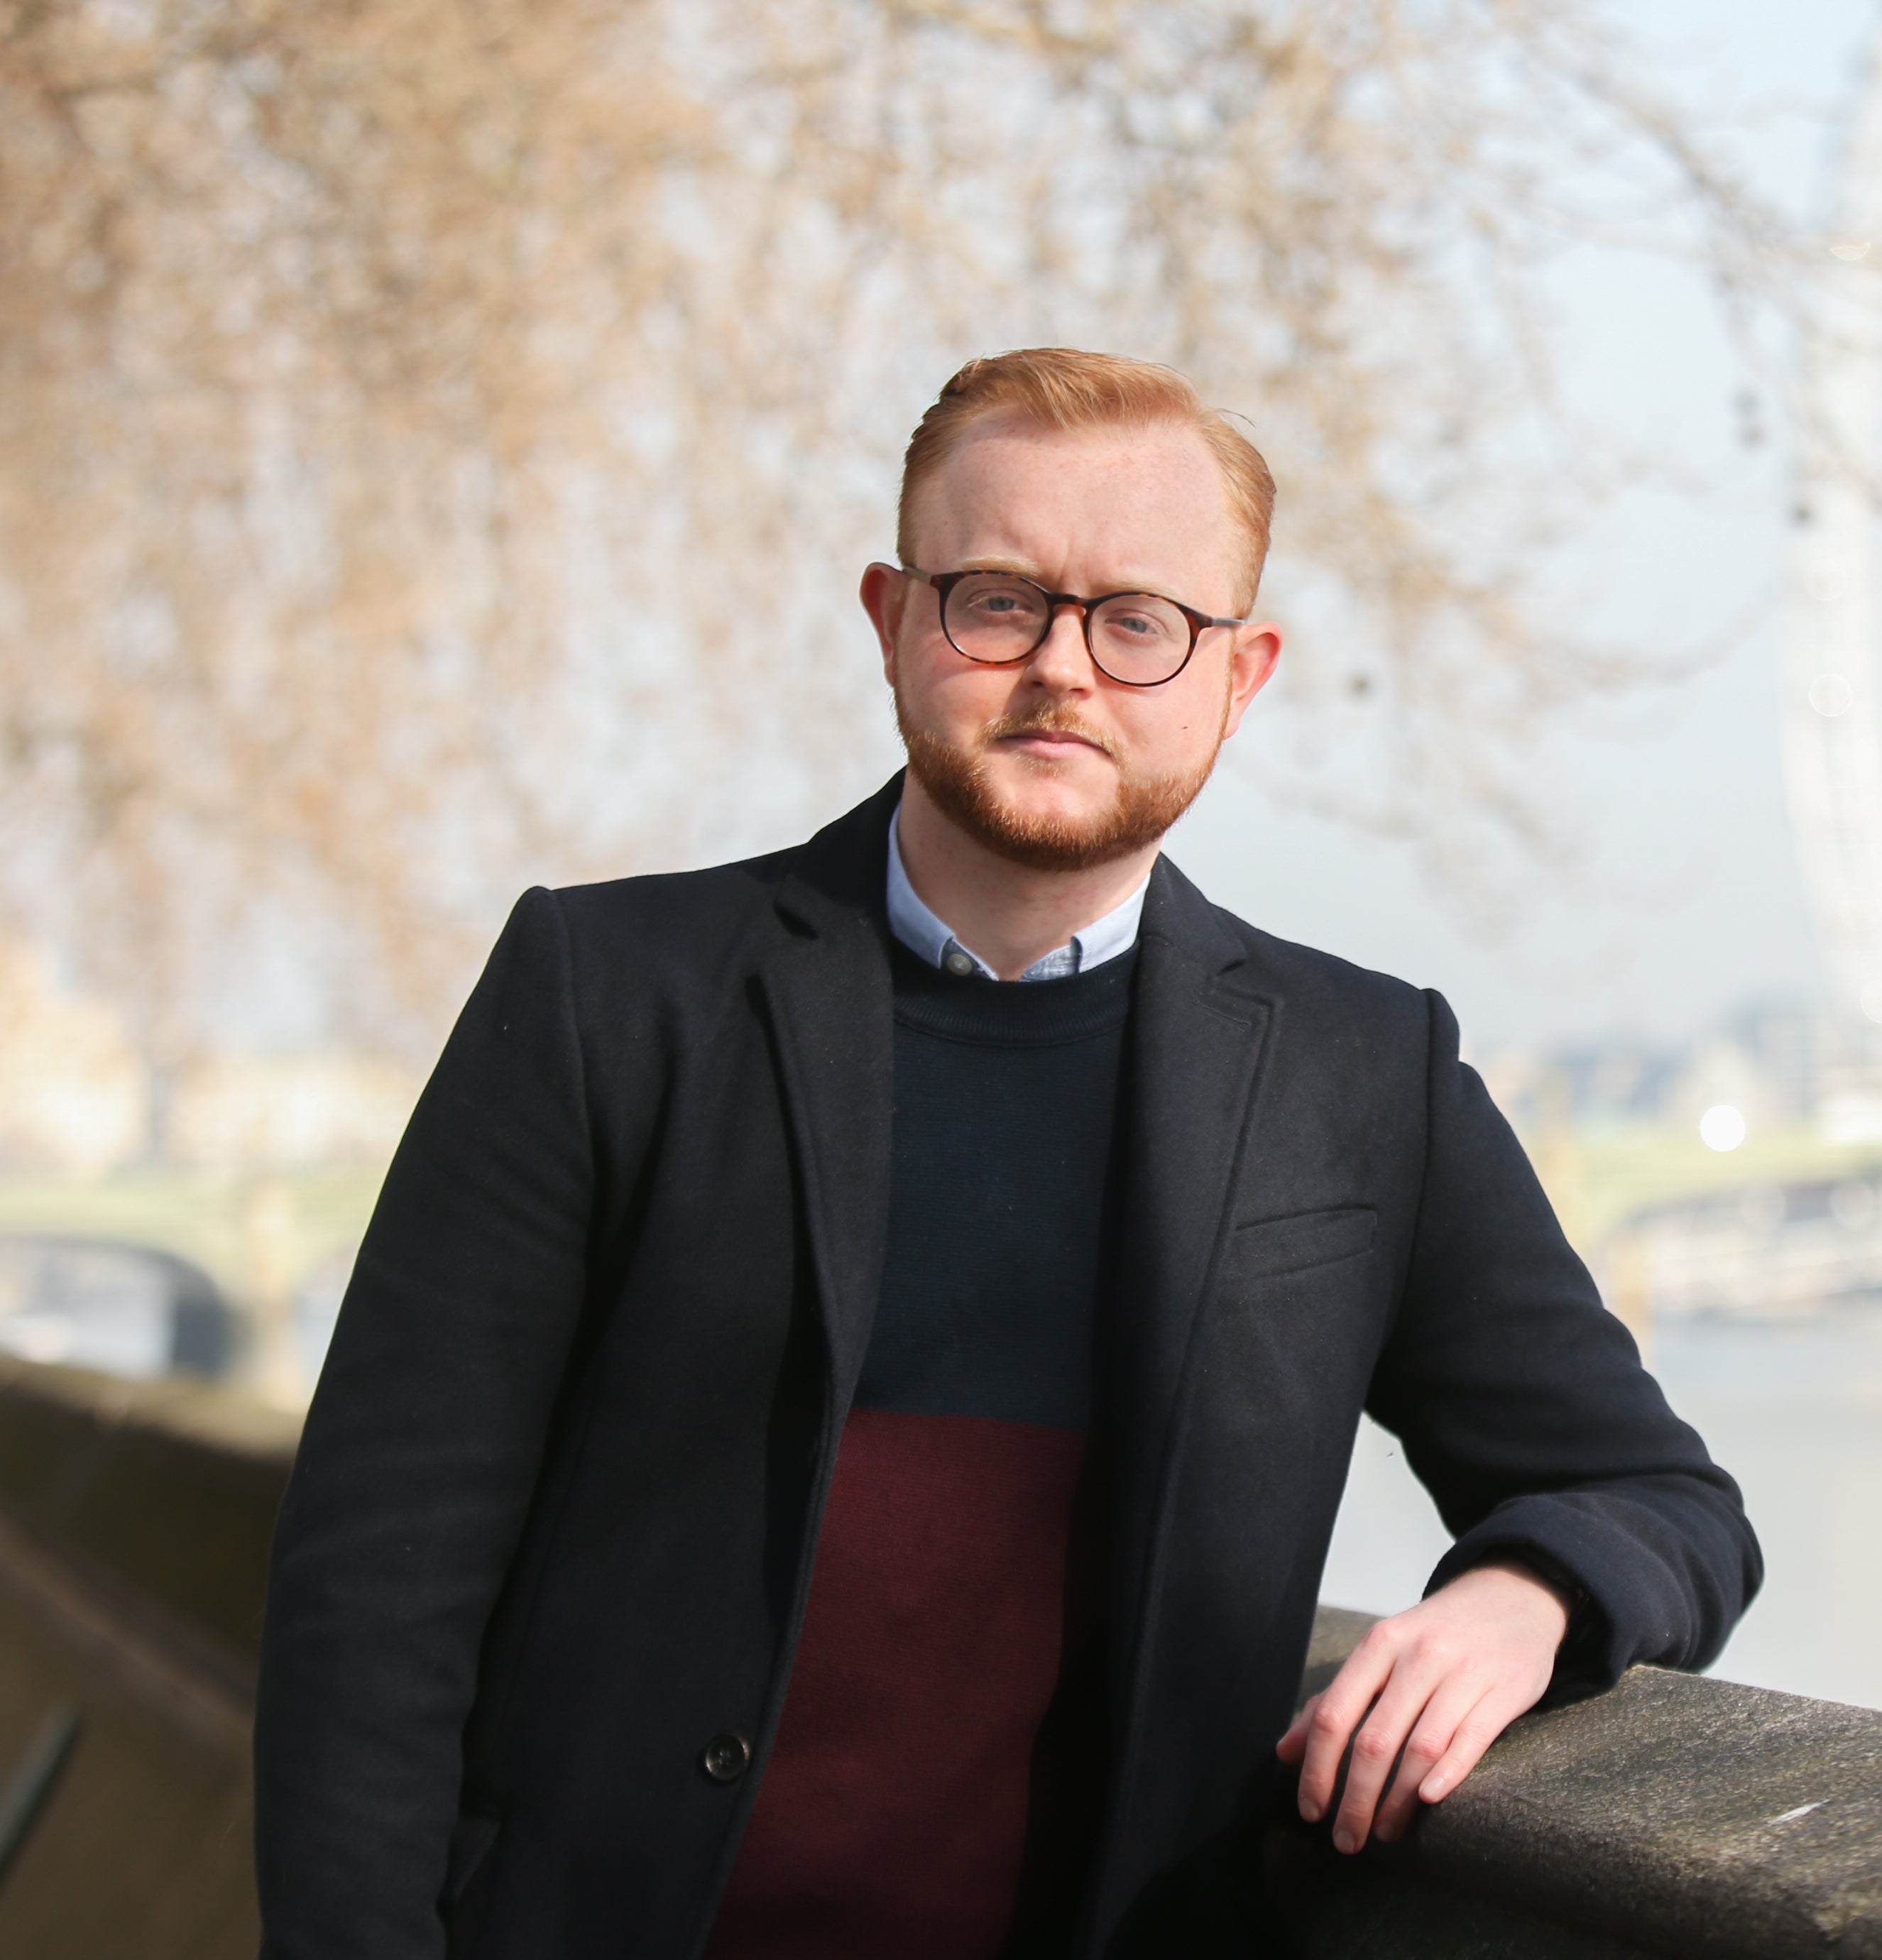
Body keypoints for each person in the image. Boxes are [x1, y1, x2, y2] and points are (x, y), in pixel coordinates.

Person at [253, 347, 1761, 1959]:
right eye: (998, 600)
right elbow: (376, 1588)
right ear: (892, 620)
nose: (1066, 668)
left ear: (1240, 675)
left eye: (1139, 619)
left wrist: (1520, 1600)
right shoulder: (606, 997)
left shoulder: (1362, 1079)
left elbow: (1661, 1496)